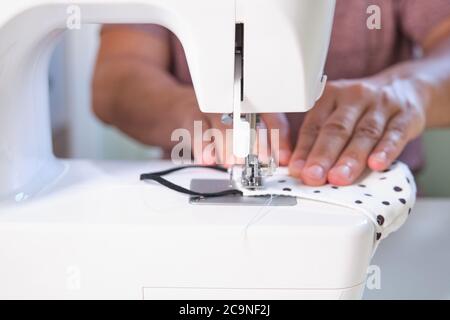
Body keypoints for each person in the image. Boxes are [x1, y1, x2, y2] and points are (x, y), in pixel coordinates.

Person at [92, 0, 450, 186]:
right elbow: (117, 77)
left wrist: (411, 90)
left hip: (373, 208)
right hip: (191, 197)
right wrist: (194, 115)